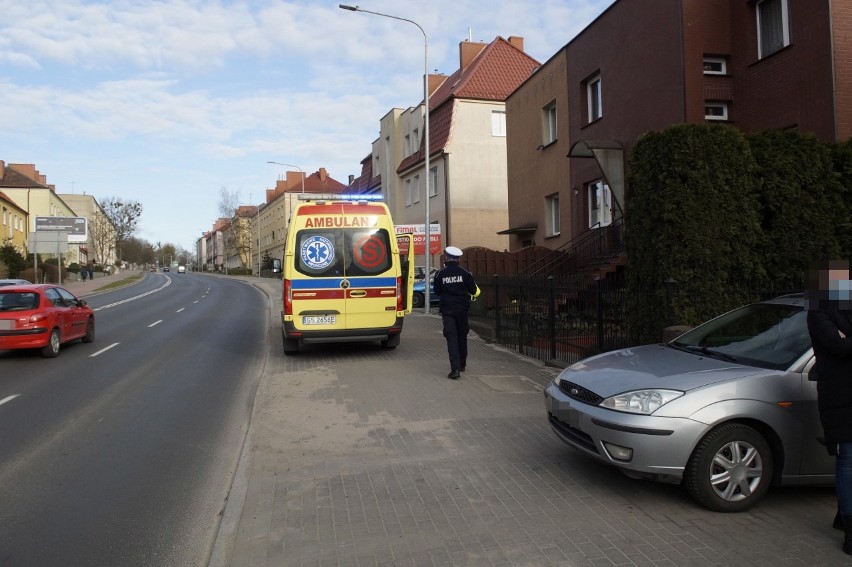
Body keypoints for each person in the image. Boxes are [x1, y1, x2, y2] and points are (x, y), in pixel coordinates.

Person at [806, 259, 852, 555]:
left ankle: (843, 515)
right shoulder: (819, 312)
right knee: (848, 458)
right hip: (839, 395)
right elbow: (838, 347)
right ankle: (850, 527)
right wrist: (843, 340)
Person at [433, 246, 478, 379]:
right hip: (462, 310)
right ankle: (463, 364)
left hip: (447, 310)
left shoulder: (440, 274)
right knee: (462, 336)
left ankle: (455, 370)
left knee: (451, 338)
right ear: (458, 259)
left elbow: (437, 291)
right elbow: (474, 290)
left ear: (446, 258)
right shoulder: (465, 273)